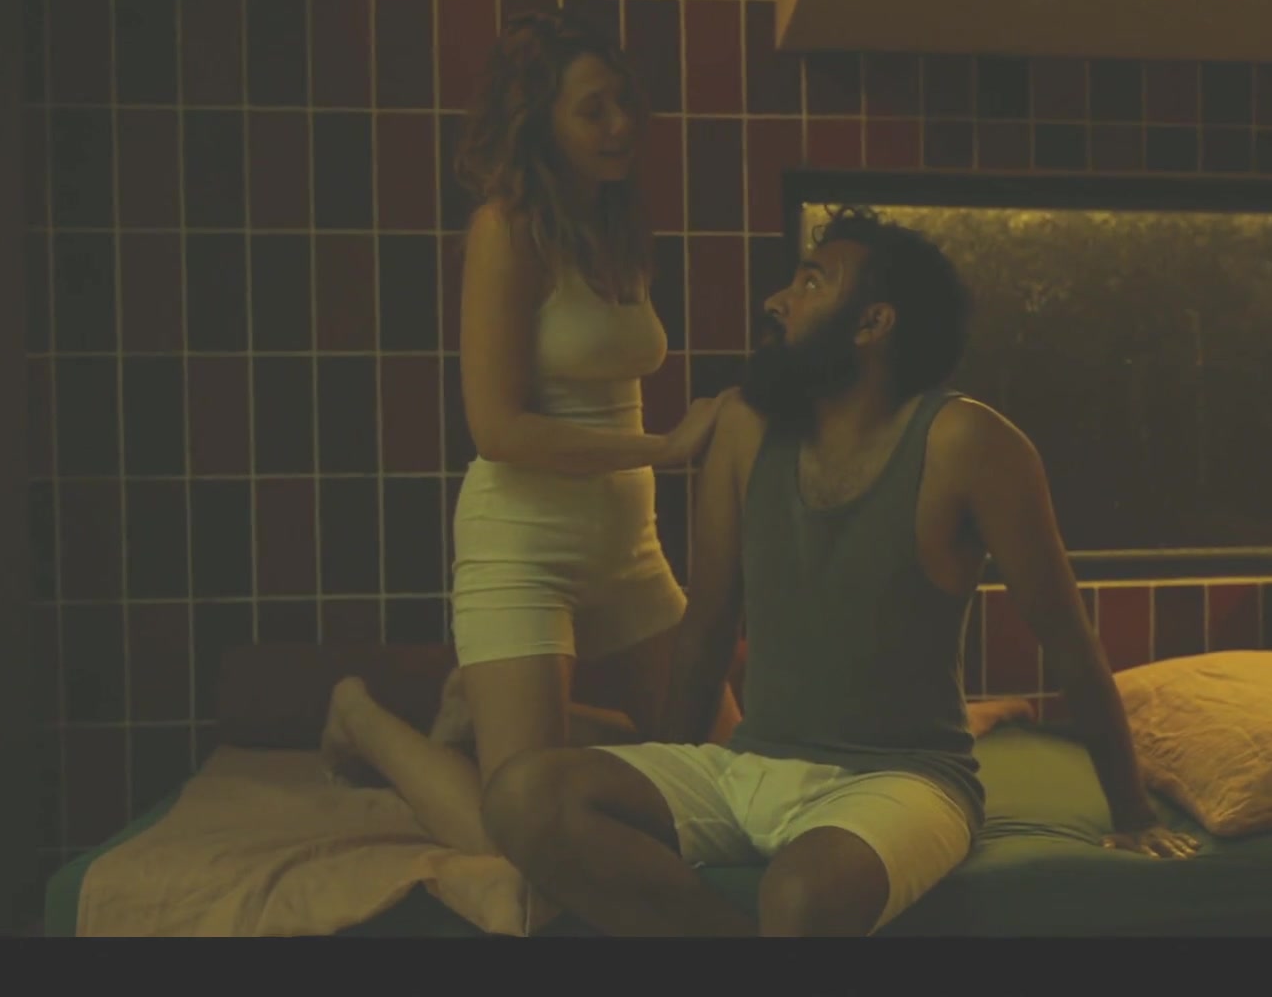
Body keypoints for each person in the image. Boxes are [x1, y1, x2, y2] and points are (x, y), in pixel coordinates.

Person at [477, 205, 1199, 937]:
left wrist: (1133, 813)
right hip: (751, 767)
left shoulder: (969, 443)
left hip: (901, 781)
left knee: (800, 898)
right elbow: (707, 627)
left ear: (872, 324)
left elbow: (1069, 643)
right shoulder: (745, 428)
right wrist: (673, 773)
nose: (776, 301)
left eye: (811, 283)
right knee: (523, 795)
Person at [317, 8, 739, 856]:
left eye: (623, 103)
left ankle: (500, 712)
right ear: (540, 122)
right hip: (524, 544)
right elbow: (499, 428)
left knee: (727, 783)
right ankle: (361, 720)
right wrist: (661, 449)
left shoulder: (616, 225)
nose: (619, 125)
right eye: (592, 110)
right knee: (518, 831)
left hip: (630, 550)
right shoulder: (505, 230)